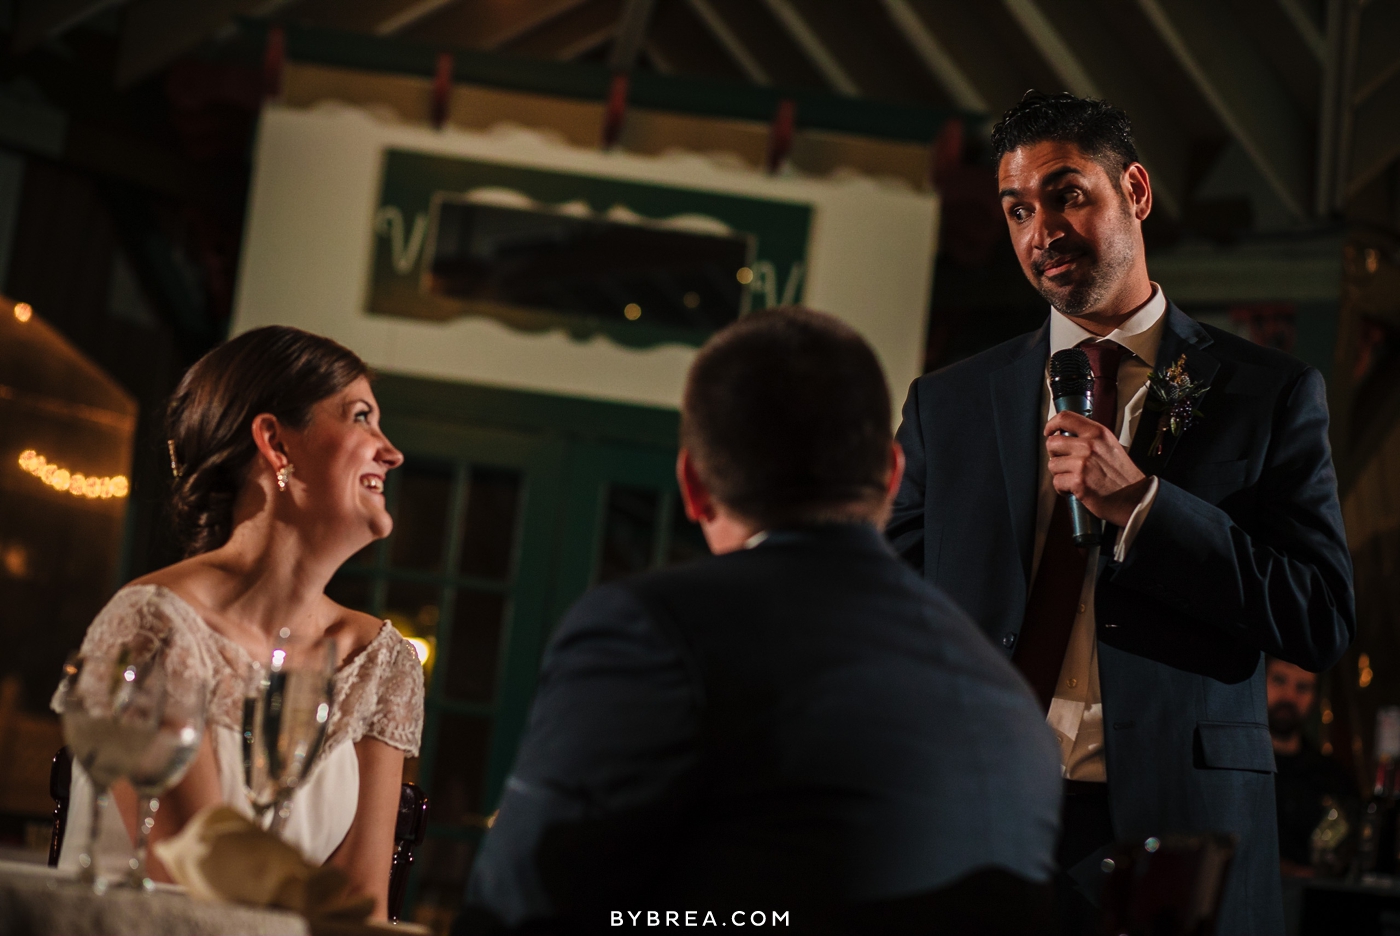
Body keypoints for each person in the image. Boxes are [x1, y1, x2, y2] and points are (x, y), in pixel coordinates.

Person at [886, 92, 1354, 935]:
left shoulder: (1268, 394)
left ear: (1134, 191)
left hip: (1180, 823)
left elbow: (1318, 616)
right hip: (989, 818)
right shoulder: (948, 405)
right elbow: (890, 608)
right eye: (1019, 209)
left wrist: (1144, 508)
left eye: (1068, 194)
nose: (1042, 231)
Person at [458, 308, 1062, 934]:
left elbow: (517, 909)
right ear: (890, 473)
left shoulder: (653, 630)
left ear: (693, 483)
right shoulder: (1010, 704)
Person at [55, 326, 422, 919]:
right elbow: (192, 876)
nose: (392, 451)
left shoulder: (382, 661)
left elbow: (363, 908)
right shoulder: (155, 622)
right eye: (360, 418)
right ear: (275, 442)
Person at [1267, 657, 1355, 873]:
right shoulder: (1232, 769)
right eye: (1279, 681)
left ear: (1315, 698)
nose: (1289, 696)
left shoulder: (1333, 778)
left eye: (1302, 687)